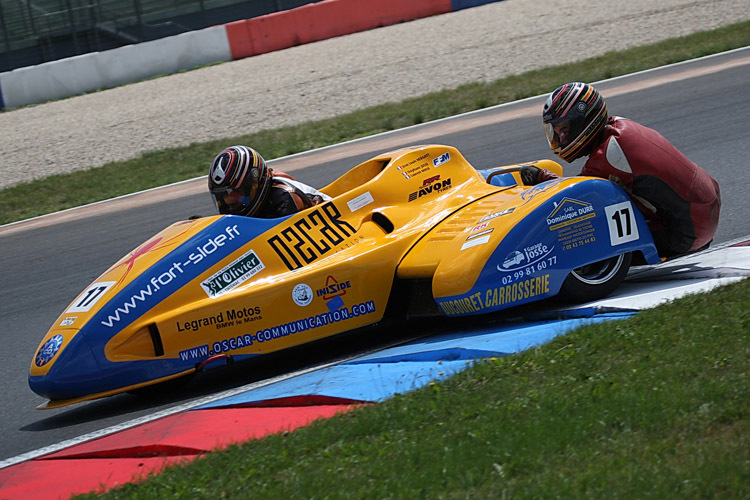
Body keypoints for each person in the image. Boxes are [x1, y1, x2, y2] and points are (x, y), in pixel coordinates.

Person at [520, 82, 720, 257]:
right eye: (556, 133)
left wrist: (544, 178)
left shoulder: (606, 155)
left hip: (687, 232)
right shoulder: (620, 125)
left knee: (582, 232)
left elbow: (573, 199)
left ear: (583, 121)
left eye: (564, 130)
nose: (561, 140)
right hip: (705, 206)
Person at [208, 145, 331, 218]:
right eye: (222, 196)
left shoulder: (285, 198)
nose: (228, 201)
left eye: (236, 193)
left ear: (256, 184)